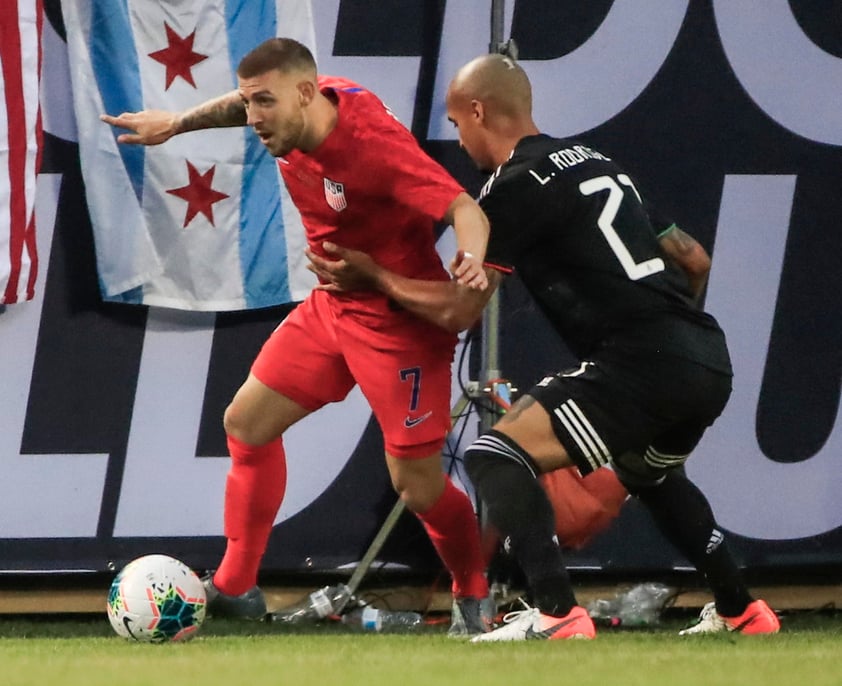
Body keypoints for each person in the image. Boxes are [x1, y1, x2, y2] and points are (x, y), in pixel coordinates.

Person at [305, 53, 781, 641]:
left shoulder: (511, 187)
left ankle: (556, 614)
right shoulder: (597, 160)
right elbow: (693, 258)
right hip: (706, 356)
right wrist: (675, 341)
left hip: (640, 360)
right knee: (652, 476)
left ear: (478, 111)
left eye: (456, 124)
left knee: (493, 456)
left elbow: (458, 310)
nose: (459, 139)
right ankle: (743, 611)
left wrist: (374, 276)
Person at [101, 38, 495, 636]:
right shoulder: (293, 107)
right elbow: (242, 104)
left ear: (307, 94)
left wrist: (469, 258)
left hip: (400, 325)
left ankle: (474, 592)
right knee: (247, 424)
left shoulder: (374, 148)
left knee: (416, 486)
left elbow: (466, 207)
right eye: (249, 102)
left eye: (265, 104)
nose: (253, 118)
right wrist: (176, 124)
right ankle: (235, 586)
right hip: (333, 308)